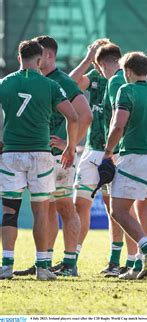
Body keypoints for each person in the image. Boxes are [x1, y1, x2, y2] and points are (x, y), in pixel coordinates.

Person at [12, 35, 92, 277]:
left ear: (47, 55)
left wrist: (70, 144)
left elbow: (85, 115)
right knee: (44, 210)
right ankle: (43, 261)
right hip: (41, 154)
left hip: (59, 157)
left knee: (65, 207)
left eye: (40, 54)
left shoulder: (62, 81)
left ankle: (70, 263)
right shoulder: (37, 80)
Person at [0, 40, 78, 280]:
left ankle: (6, 265)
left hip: (11, 153)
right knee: (41, 211)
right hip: (41, 155)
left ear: (18, 57)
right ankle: (43, 267)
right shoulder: (50, 85)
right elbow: (73, 117)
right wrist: (71, 147)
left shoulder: (4, 83)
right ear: (41, 59)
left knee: (9, 211)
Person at [103, 51, 147, 279]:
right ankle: (139, 266)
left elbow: (118, 125)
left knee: (118, 211)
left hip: (135, 157)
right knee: (146, 215)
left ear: (127, 71)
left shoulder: (127, 89)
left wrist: (108, 151)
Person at [94, 43, 142, 276]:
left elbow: (116, 119)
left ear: (101, 63)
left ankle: (126, 260)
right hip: (132, 151)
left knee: (118, 208)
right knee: (121, 208)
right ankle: (128, 259)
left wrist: (109, 151)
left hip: (117, 152)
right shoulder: (142, 86)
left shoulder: (115, 82)